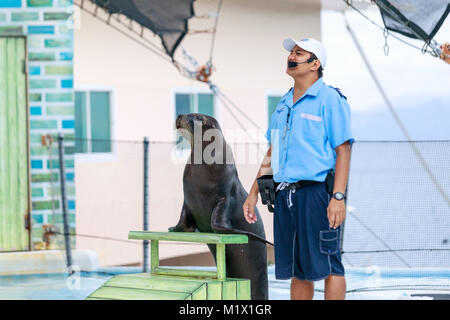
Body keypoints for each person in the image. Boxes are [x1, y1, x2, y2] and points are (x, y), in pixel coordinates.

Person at [243, 38, 354, 300]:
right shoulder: (283, 104)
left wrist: (338, 197)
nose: (291, 57)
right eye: (291, 52)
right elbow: (273, 152)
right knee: (297, 269)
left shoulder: (330, 99)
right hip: (285, 196)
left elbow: (343, 150)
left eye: (299, 53)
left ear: (315, 64)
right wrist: (253, 193)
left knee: (329, 264)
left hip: (317, 194)